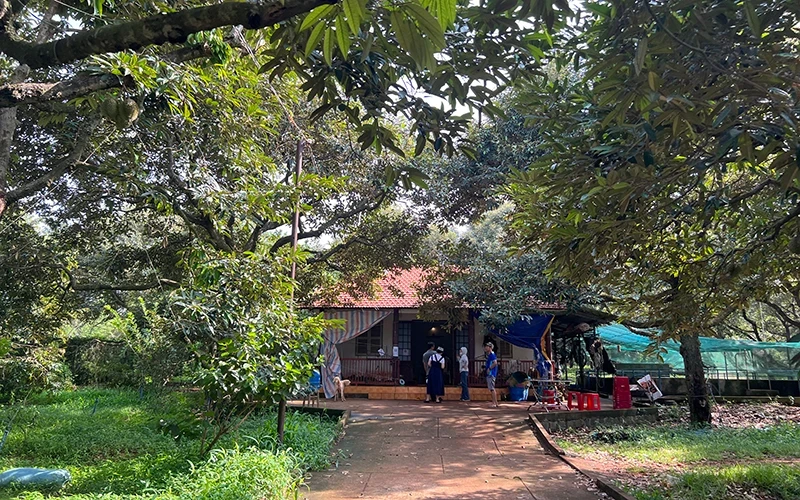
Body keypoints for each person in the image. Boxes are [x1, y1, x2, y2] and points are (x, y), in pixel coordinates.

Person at [484, 342, 498, 407]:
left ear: (490, 348)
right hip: (489, 373)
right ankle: (495, 402)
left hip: (491, 373)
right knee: (491, 388)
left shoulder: (492, 355)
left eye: (487, 346)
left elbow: (495, 363)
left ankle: (494, 403)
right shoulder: (489, 355)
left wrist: (489, 368)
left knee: (492, 388)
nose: (485, 347)